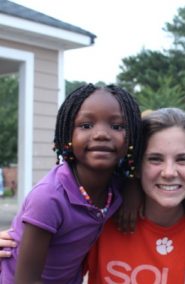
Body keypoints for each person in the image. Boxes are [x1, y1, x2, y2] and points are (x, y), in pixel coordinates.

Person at [0, 83, 142, 283]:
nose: (101, 134)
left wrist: (133, 186)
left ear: (133, 137)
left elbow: (154, 126)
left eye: (117, 126)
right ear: (67, 135)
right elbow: (26, 280)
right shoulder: (49, 198)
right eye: (86, 125)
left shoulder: (117, 186)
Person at [85, 107, 185, 283]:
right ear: (138, 166)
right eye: (155, 159)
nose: (169, 172)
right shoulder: (100, 220)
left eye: (182, 159)